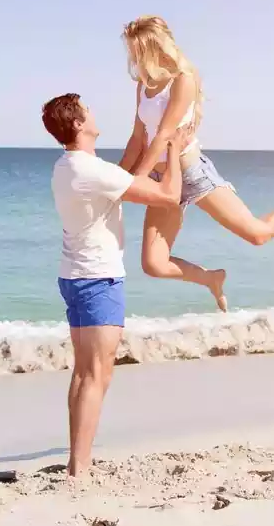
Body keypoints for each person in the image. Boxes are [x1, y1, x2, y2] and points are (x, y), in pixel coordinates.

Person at [117, 16, 274, 312]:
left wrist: (137, 179)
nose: (133, 57)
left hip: (191, 173)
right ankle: (211, 279)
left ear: (155, 46)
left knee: (257, 234)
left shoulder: (183, 80)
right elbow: (138, 138)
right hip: (164, 181)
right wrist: (117, 180)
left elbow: (164, 134)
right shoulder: (143, 85)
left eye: (137, 49)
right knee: (154, 264)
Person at [42, 92, 192, 477]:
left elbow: (128, 167)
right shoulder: (91, 172)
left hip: (76, 276)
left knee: (85, 372)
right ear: (78, 123)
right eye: (87, 110)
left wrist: (143, 123)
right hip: (98, 279)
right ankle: (80, 467)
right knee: (96, 375)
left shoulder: (70, 166)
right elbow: (168, 195)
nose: (93, 113)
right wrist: (173, 148)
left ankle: (78, 461)